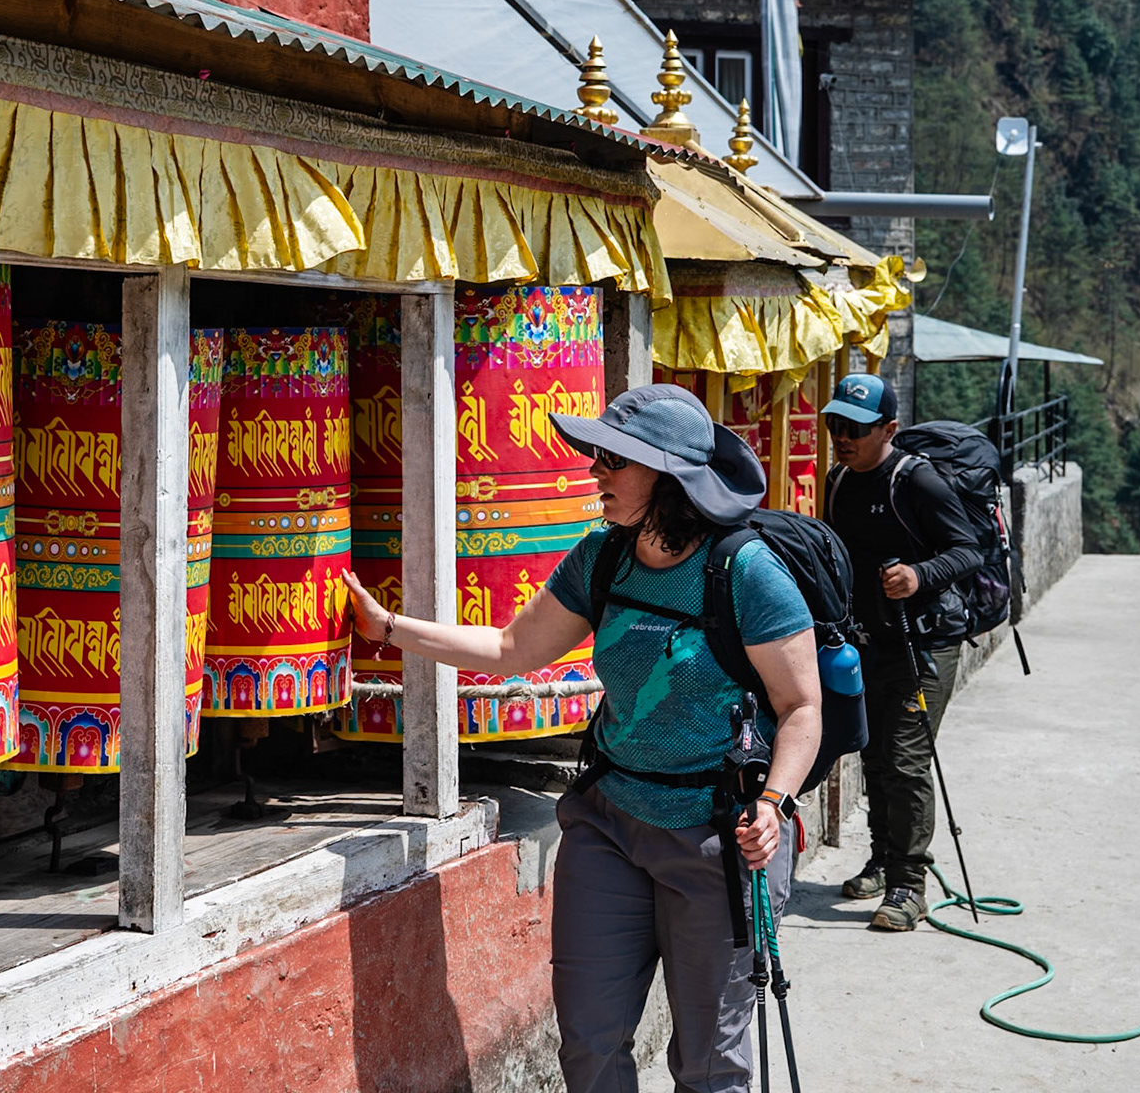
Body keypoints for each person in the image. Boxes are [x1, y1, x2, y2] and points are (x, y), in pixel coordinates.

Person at [344, 384, 821, 1093]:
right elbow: (511, 647)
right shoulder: (603, 555)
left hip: (716, 840)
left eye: (613, 459)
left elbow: (801, 706)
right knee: (589, 1046)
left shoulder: (745, 571)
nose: (593, 470)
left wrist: (774, 803)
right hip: (609, 823)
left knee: (709, 1064)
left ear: (668, 476)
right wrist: (389, 629)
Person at [819, 373, 981, 932]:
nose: (842, 436)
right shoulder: (838, 481)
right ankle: (883, 860)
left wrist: (920, 574)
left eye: (856, 428)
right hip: (868, 640)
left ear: (889, 429)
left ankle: (910, 886)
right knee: (873, 755)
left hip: (927, 641)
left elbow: (968, 551)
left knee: (906, 756)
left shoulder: (918, 481)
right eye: (836, 424)